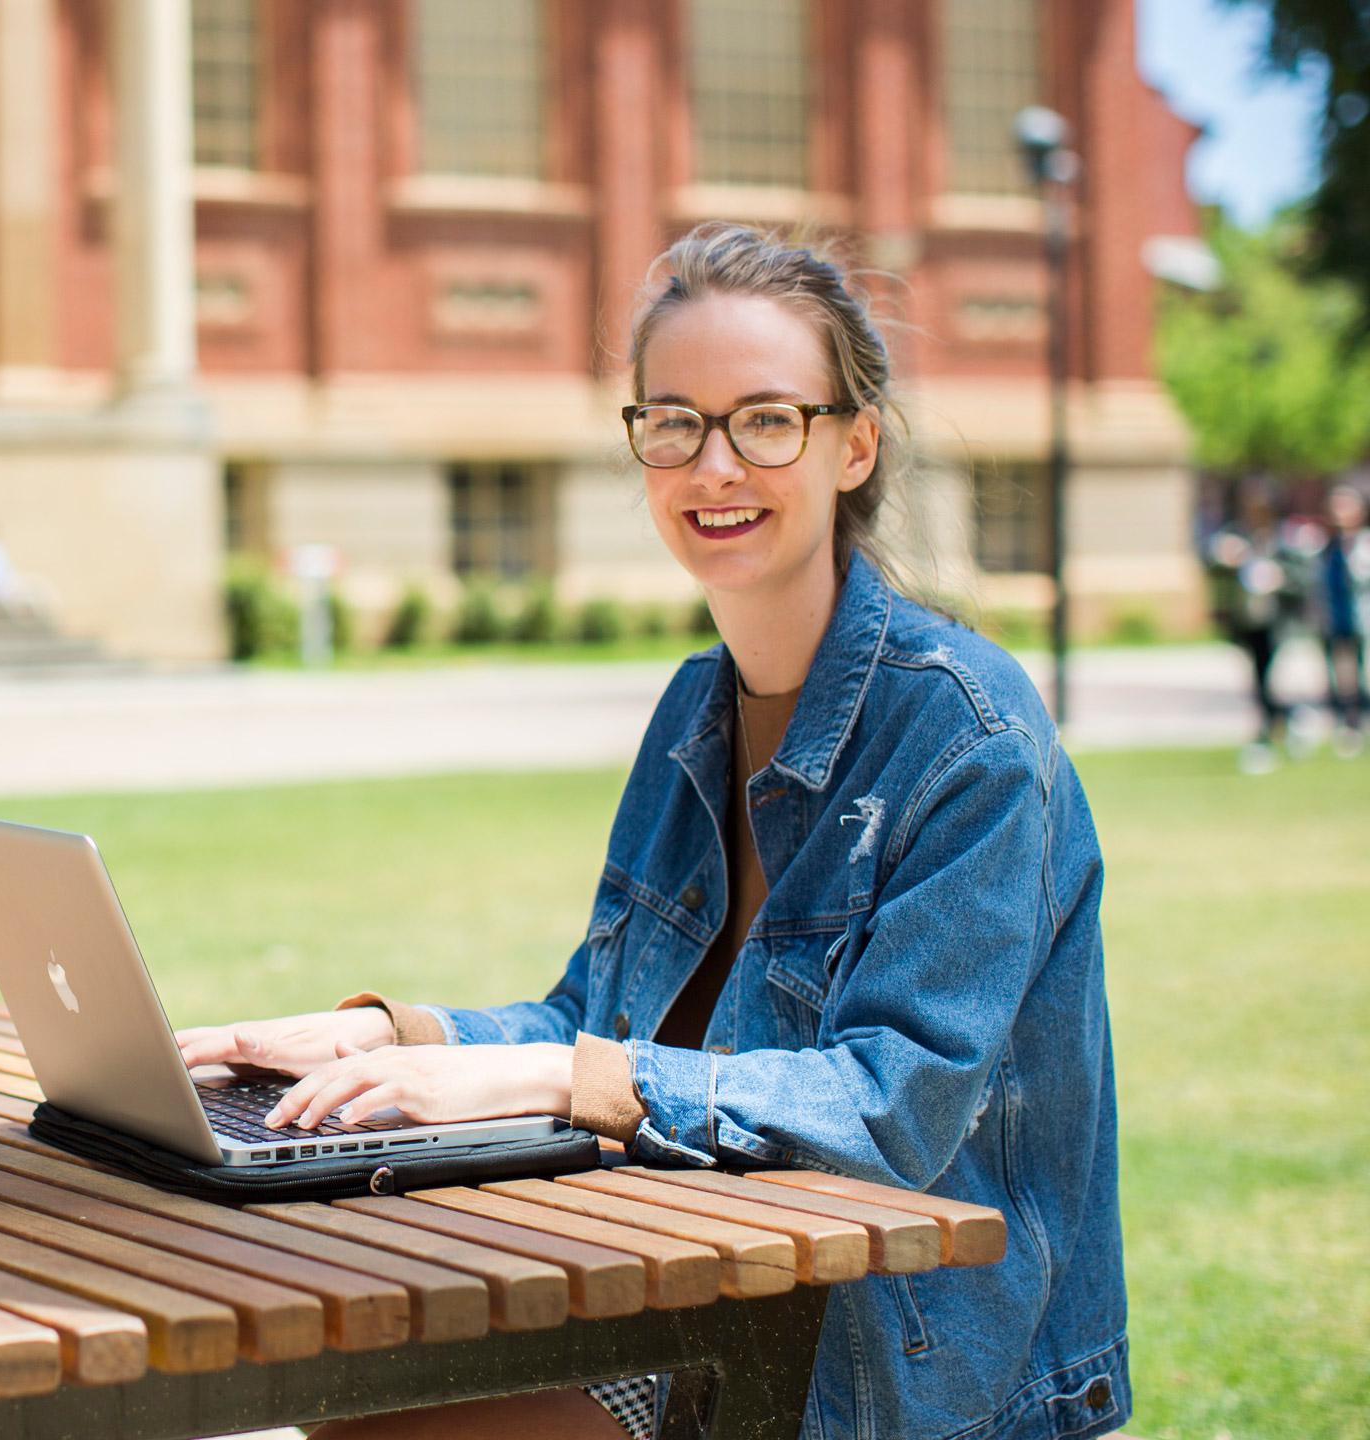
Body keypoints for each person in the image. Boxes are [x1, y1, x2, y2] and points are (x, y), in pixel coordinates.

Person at [176, 223, 1128, 1440]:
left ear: (855, 444)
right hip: (684, 1282)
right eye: (673, 421)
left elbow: (891, 1110)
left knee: (382, 1421)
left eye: (766, 420)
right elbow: (598, 1022)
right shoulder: (698, 707)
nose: (712, 465)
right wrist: (378, 1038)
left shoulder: (969, 740)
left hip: (884, 1358)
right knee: (339, 1389)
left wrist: (550, 1079)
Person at [1203, 486, 1298, 773]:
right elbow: (1214, 564)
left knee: (1266, 675)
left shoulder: (1281, 541)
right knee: (1259, 676)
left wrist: (1278, 578)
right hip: (1247, 620)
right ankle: (1280, 721)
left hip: (1274, 619)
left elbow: (1300, 579)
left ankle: (1277, 722)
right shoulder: (1238, 537)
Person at [1315, 484, 1369, 755]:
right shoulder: (1325, 546)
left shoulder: (1364, 544)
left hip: (1362, 620)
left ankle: (1358, 721)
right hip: (1334, 618)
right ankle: (1344, 723)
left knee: (1361, 672)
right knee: (1336, 674)